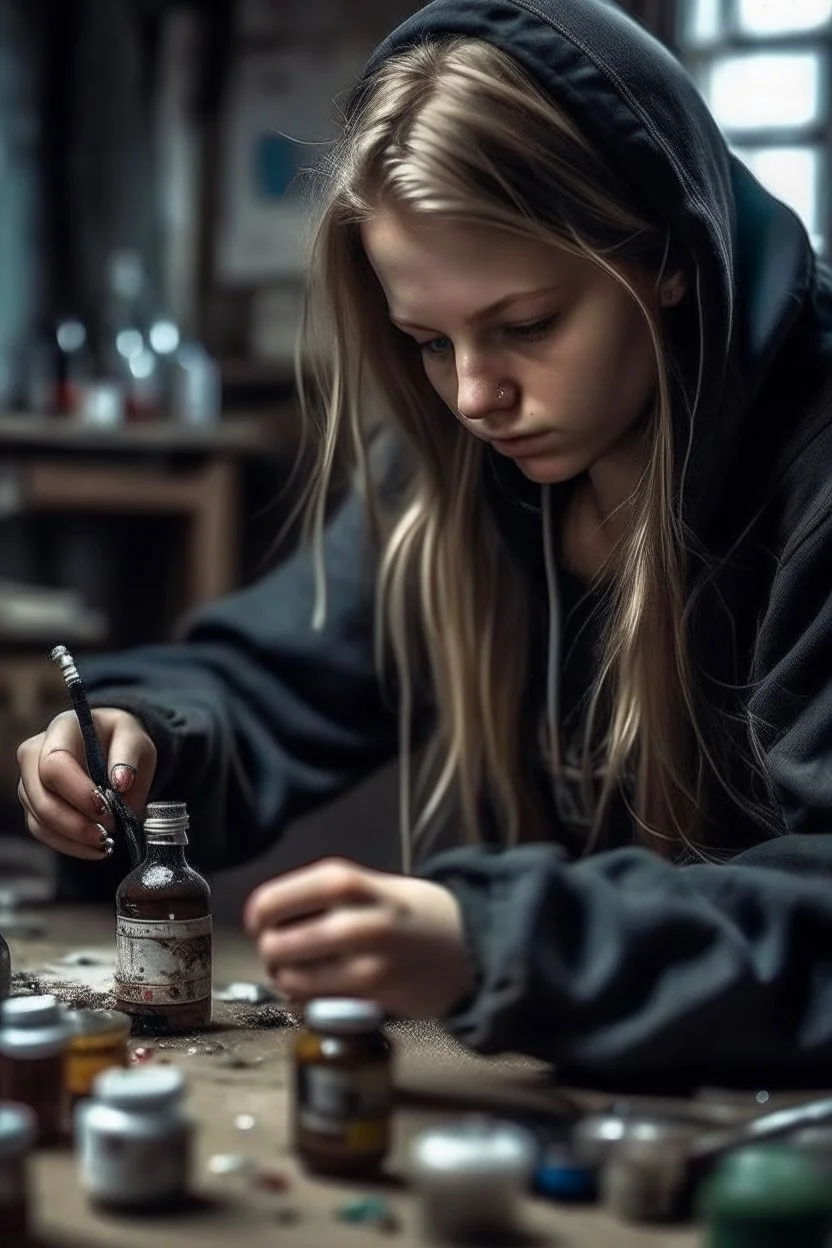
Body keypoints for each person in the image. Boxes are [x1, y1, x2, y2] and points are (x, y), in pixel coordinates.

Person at [16, 0, 832, 1090]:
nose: (475, 394)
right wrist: (149, 734)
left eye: (528, 325)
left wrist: (503, 943)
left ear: (670, 257)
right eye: (427, 341)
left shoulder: (812, 471)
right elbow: (277, 672)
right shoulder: (458, 457)